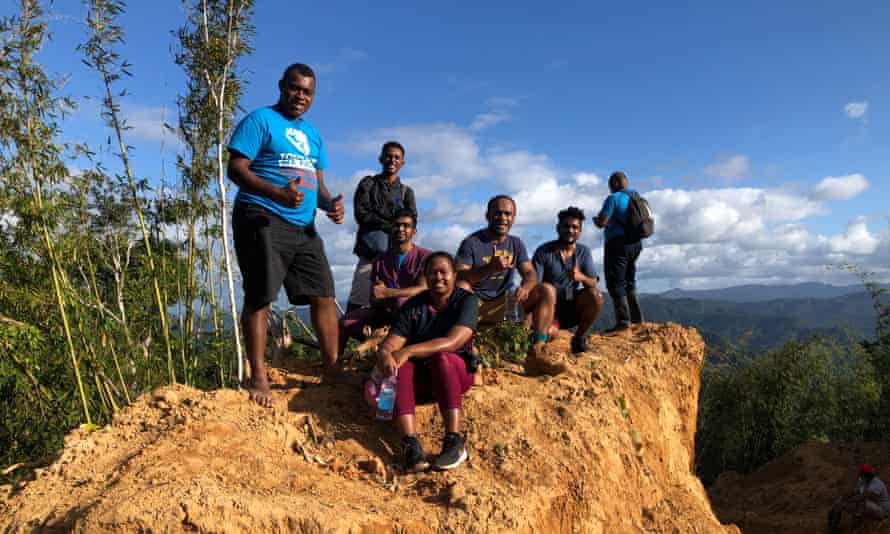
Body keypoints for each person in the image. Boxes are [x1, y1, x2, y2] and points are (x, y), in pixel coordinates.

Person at [228, 63, 345, 408]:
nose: (300, 96)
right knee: (261, 295)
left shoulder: (313, 135)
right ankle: (259, 377)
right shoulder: (260, 120)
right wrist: (275, 193)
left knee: (323, 293)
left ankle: (333, 370)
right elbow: (235, 169)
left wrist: (329, 205)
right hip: (261, 215)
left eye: (307, 92)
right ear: (282, 86)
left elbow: (319, 187)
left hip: (303, 224)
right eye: (295, 88)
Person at [376, 252, 478, 471]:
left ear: (454, 275)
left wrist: (409, 350)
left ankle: (454, 440)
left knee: (442, 358)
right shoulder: (414, 306)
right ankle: (410, 444)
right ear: (425, 276)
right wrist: (385, 354)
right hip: (422, 380)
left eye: (444, 272)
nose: (438, 277)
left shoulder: (466, 301)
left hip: (456, 373)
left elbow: (452, 342)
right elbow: (391, 343)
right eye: (433, 272)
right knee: (398, 362)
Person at [455, 195, 564, 376]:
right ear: (487, 215)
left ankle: (536, 353)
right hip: (475, 305)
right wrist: (490, 268)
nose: (503, 218)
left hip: (505, 304)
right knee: (462, 287)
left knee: (547, 290)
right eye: (498, 213)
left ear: (513, 218)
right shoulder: (471, 243)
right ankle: (466, 344)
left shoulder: (516, 244)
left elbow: (530, 273)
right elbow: (460, 275)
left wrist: (527, 287)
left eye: (508, 214)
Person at [339, 208, 431, 353]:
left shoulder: (425, 257)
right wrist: (378, 297)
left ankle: (399, 346)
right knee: (346, 321)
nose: (401, 229)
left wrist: (389, 293)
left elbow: (422, 288)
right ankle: (335, 363)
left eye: (406, 226)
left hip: (415, 316)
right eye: (397, 225)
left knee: (402, 302)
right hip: (385, 313)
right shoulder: (380, 261)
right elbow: (375, 297)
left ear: (414, 232)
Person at [347, 142, 417, 311]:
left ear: (402, 162)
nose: (392, 160)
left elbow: (412, 220)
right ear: (381, 158)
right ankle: (340, 337)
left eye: (397, 157)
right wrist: (392, 222)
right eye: (389, 156)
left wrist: (378, 216)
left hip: (398, 260)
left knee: (396, 306)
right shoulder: (368, 184)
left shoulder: (406, 192)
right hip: (370, 257)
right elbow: (361, 214)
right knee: (357, 303)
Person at [532, 207, 604, 353]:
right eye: (566, 226)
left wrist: (580, 277)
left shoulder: (583, 251)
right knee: (550, 333)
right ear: (558, 228)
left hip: (571, 305)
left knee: (596, 296)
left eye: (575, 227)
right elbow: (535, 287)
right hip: (549, 307)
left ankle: (579, 338)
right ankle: (543, 335)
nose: (570, 230)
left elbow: (593, 282)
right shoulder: (543, 252)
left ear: (580, 231)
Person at [594, 171, 644, 333]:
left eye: (610, 183)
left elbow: (602, 222)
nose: (609, 187)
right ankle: (637, 320)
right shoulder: (637, 198)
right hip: (635, 244)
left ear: (615, 183)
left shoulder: (614, 198)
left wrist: (596, 220)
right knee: (630, 280)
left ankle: (623, 322)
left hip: (617, 244)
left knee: (615, 282)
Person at [828, 464, 890, 533]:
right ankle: (833, 528)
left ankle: (856, 527)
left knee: (860, 503)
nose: (858, 475)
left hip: (882, 510)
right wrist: (844, 497)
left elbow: (862, 497)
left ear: (865, 474)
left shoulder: (877, 484)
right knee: (838, 502)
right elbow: (855, 491)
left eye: (860, 473)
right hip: (871, 506)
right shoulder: (863, 480)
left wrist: (847, 500)